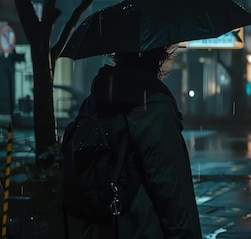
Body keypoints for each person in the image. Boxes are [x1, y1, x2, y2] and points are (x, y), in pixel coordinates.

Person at [77, 44, 202, 239]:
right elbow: (169, 185)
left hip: (104, 224)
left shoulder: (95, 100)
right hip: (144, 227)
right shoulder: (153, 105)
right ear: (159, 57)